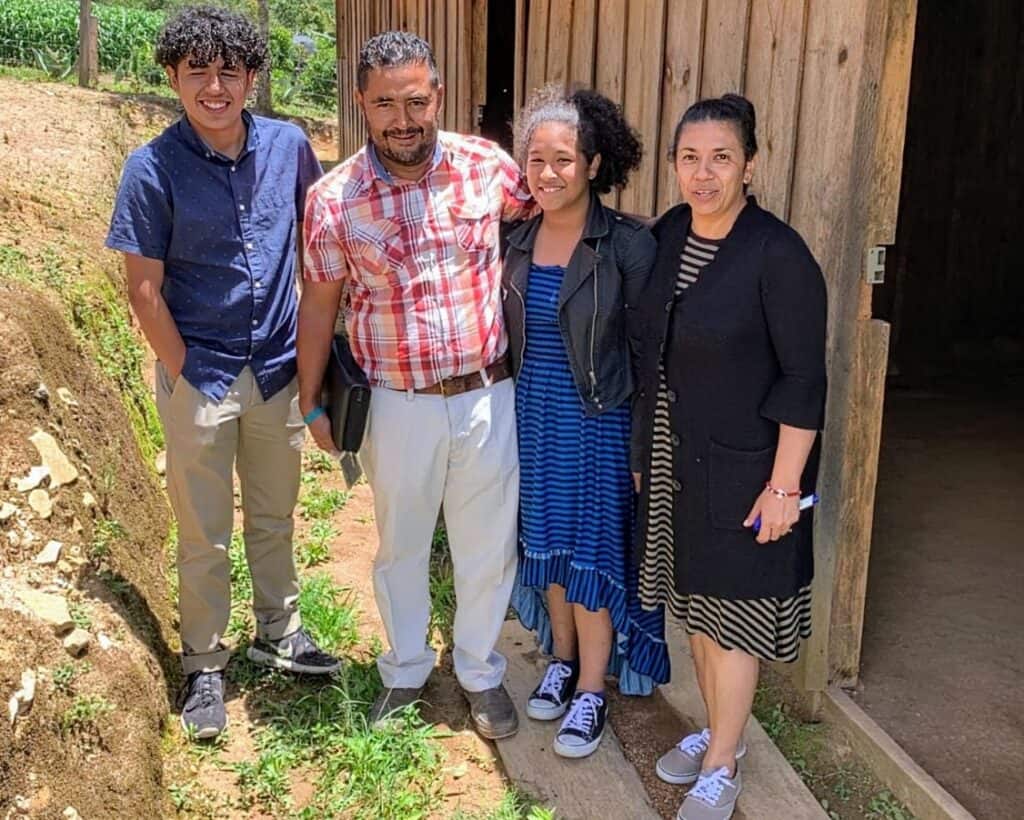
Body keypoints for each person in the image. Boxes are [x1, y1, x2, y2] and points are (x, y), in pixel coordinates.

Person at [105, 6, 340, 741]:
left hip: (275, 368)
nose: (215, 87)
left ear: (250, 78)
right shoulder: (152, 168)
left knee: (274, 514)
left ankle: (281, 631)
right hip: (199, 372)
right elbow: (142, 289)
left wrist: (312, 368)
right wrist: (186, 376)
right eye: (197, 71)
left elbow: (316, 249)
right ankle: (203, 663)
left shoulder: (290, 146)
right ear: (173, 77)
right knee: (202, 532)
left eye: (228, 71)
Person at [297, 31, 534, 740]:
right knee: (400, 542)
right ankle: (404, 671)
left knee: (488, 544)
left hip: (489, 393)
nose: (404, 118)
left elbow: (547, 227)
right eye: (385, 104)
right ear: (363, 106)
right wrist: (311, 400)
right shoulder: (334, 199)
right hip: (396, 404)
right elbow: (320, 304)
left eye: (417, 100)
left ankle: (480, 672)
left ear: (438, 96)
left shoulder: (487, 169)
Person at [631, 94, 827, 820]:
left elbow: (805, 379)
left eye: (720, 158)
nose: (703, 173)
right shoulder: (672, 234)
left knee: (733, 620)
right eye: (690, 158)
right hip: (678, 463)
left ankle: (721, 765)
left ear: (751, 163)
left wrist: (785, 487)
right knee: (700, 616)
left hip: (749, 471)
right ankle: (723, 734)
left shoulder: (778, 254)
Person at [502, 86, 669, 759]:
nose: (548, 173)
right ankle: (563, 663)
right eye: (536, 159)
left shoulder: (626, 245)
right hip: (529, 416)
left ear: (593, 164)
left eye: (563, 159)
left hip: (597, 420)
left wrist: (639, 447)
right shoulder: (514, 239)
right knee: (546, 550)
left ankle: (594, 689)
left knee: (592, 556)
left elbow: (648, 356)